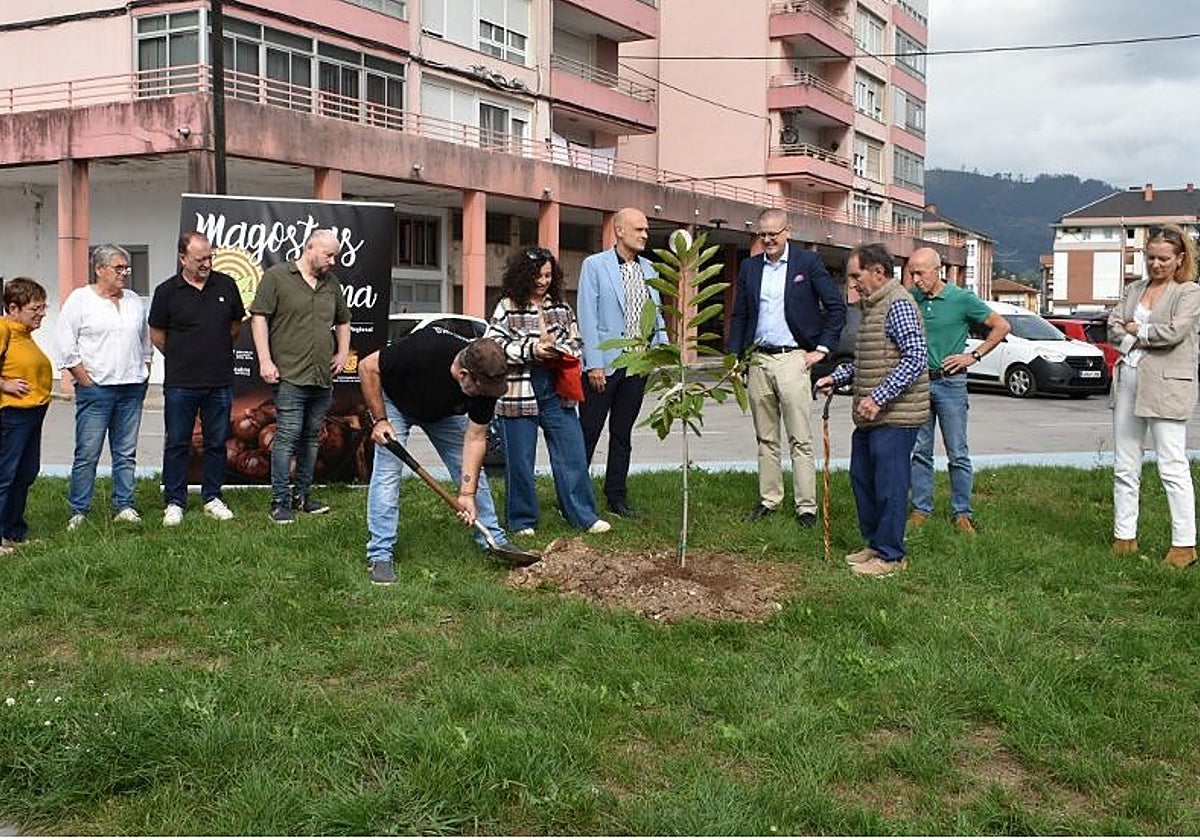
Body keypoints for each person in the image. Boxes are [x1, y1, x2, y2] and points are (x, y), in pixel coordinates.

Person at [359, 331, 513, 586]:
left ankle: (493, 539)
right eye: (480, 390)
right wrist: (380, 419)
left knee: (474, 475)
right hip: (396, 402)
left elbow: (475, 439)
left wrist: (466, 493)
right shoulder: (424, 350)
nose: (486, 395)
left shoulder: (487, 382)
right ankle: (380, 554)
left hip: (442, 414)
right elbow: (367, 366)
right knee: (387, 473)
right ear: (463, 375)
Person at [815, 243, 929, 578]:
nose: (853, 284)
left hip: (895, 416)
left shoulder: (898, 304)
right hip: (871, 417)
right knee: (862, 478)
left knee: (889, 485)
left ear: (878, 272)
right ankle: (877, 544)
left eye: (856, 275)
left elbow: (915, 358)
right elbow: (869, 361)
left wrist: (879, 397)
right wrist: (837, 377)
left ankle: (892, 556)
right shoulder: (873, 307)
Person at [728, 208, 846, 526]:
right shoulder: (750, 267)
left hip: (794, 357)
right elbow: (740, 314)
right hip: (758, 359)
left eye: (773, 234)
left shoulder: (808, 263)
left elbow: (836, 307)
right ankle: (770, 500)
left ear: (787, 232)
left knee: (800, 437)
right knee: (766, 437)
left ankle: (806, 507)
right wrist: (735, 356)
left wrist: (821, 350)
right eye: (762, 234)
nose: (768, 240)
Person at [487, 248, 610, 537]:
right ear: (523, 275)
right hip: (519, 387)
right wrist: (531, 350)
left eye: (547, 275)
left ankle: (583, 516)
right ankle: (522, 521)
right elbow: (493, 346)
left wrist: (560, 350)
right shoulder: (506, 306)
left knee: (572, 453)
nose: (543, 281)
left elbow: (577, 343)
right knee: (520, 459)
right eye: (537, 276)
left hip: (556, 387)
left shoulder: (561, 307)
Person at [1107, 223, 1200, 569]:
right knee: (1125, 463)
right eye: (1151, 258)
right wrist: (1140, 335)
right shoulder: (1134, 289)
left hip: (1167, 386)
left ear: (1180, 259)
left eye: (1164, 258)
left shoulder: (1189, 292)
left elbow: (1175, 332)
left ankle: (1184, 545)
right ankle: (1124, 537)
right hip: (1128, 380)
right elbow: (1112, 327)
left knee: (1172, 466)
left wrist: (1136, 330)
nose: (1156, 264)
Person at [905, 247, 1010, 533]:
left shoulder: (962, 299)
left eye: (920, 273)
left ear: (937, 270)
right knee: (920, 450)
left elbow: (1001, 326)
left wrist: (972, 356)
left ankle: (962, 512)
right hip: (918, 383)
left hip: (950, 383)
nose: (915, 280)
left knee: (957, 451)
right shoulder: (911, 299)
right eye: (912, 274)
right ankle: (921, 509)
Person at [250, 229, 351, 524]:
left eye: (335, 256)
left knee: (312, 438)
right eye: (329, 255)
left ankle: (303, 496)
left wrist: (343, 353)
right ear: (310, 248)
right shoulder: (277, 276)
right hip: (290, 374)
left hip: (322, 376)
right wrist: (265, 360)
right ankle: (279, 502)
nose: (333, 261)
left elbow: (344, 320)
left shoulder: (331, 283)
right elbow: (259, 318)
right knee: (287, 438)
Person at [149, 232, 245, 526]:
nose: (207, 264)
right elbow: (157, 335)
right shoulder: (166, 291)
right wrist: (184, 356)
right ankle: (174, 502)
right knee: (178, 443)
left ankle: (212, 497)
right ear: (183, 258)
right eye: (200, 259)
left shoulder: (226, 285)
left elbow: (234, 326)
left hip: (219, 381)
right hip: (181, 383)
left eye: (209, 257)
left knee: (216, 443)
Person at [576, 207, 666, 518]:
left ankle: (616, 496)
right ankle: (574, 497)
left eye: (646, 230)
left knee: (622, 434)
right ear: (619, 231)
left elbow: (657, 316)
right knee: (588, 432)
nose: (645, 235)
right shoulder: (594, 265)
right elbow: (588, 316)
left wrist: (660, 354)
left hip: (637, 365)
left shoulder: (650, 269)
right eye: (639, 229)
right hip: (604, 365)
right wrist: (594, 364)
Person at [56, 244, 153, 530]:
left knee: (125, 453)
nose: (125, 273)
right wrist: (84, 379)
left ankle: (125, 505)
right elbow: (65, 343)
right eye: (118, 268)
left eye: (126, 267)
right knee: (87, 453)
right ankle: (79, 510)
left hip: (131, 387)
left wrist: (145, 371)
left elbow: (145, 341)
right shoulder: (80, 300)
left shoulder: (134, 300)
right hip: (96, 388)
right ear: (99, 269)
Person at [0, 278, 53, 553]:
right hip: (13, 414)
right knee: (5, 475)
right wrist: (4, 384)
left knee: (25, 473)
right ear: (13, 308)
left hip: (33, 412)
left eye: (43, 307)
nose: (42, 313)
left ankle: (13, 533)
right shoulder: (3, 329)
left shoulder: (25, 334)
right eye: (35, 308)